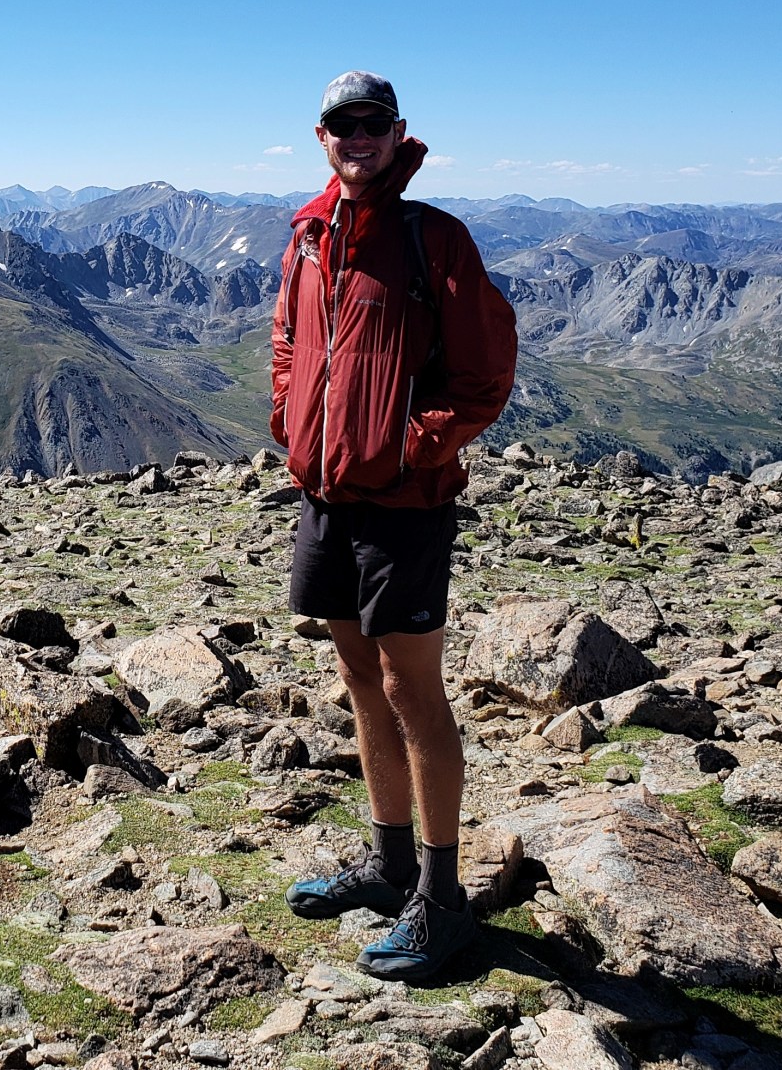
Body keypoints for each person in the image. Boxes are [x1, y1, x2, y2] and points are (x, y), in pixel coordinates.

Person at [271, 71, 518, 982]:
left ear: (397, 132)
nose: (357, 136)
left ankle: (442, 900)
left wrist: (414, 447)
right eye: (343, 124)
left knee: (413, 689)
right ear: (322, 135)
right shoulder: (308, 233)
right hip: (329, 493)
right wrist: (290, 418)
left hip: (406, 503)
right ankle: (387, 863)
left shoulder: (433, 238)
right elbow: (290, 341)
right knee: (357, 677)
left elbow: (487, 371)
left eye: (373, 123)